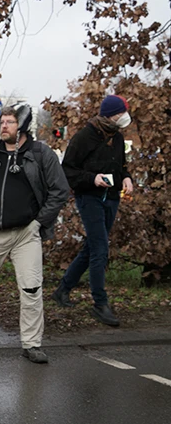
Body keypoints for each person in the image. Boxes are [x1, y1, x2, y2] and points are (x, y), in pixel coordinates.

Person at [0, 104, 70, 363]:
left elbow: (59, 190)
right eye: (2, 121)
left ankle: (31, 343)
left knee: (31, 288)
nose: (4, 126)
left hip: (24, 234)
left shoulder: (40, 154)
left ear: (22, 126)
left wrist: (39, 222)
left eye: (9, 122)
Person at [51, 95, 134, 327]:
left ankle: (63, 289)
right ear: (110, 115)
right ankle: (100, 303)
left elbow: (121, 165)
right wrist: (92, 178)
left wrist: (126, 178)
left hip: (112, 198)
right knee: (100, 248)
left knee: (92, 246)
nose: (124, 117)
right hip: (89, 198)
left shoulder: (117, 137)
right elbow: (67, 170)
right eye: (121, 114)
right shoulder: (84, 137)